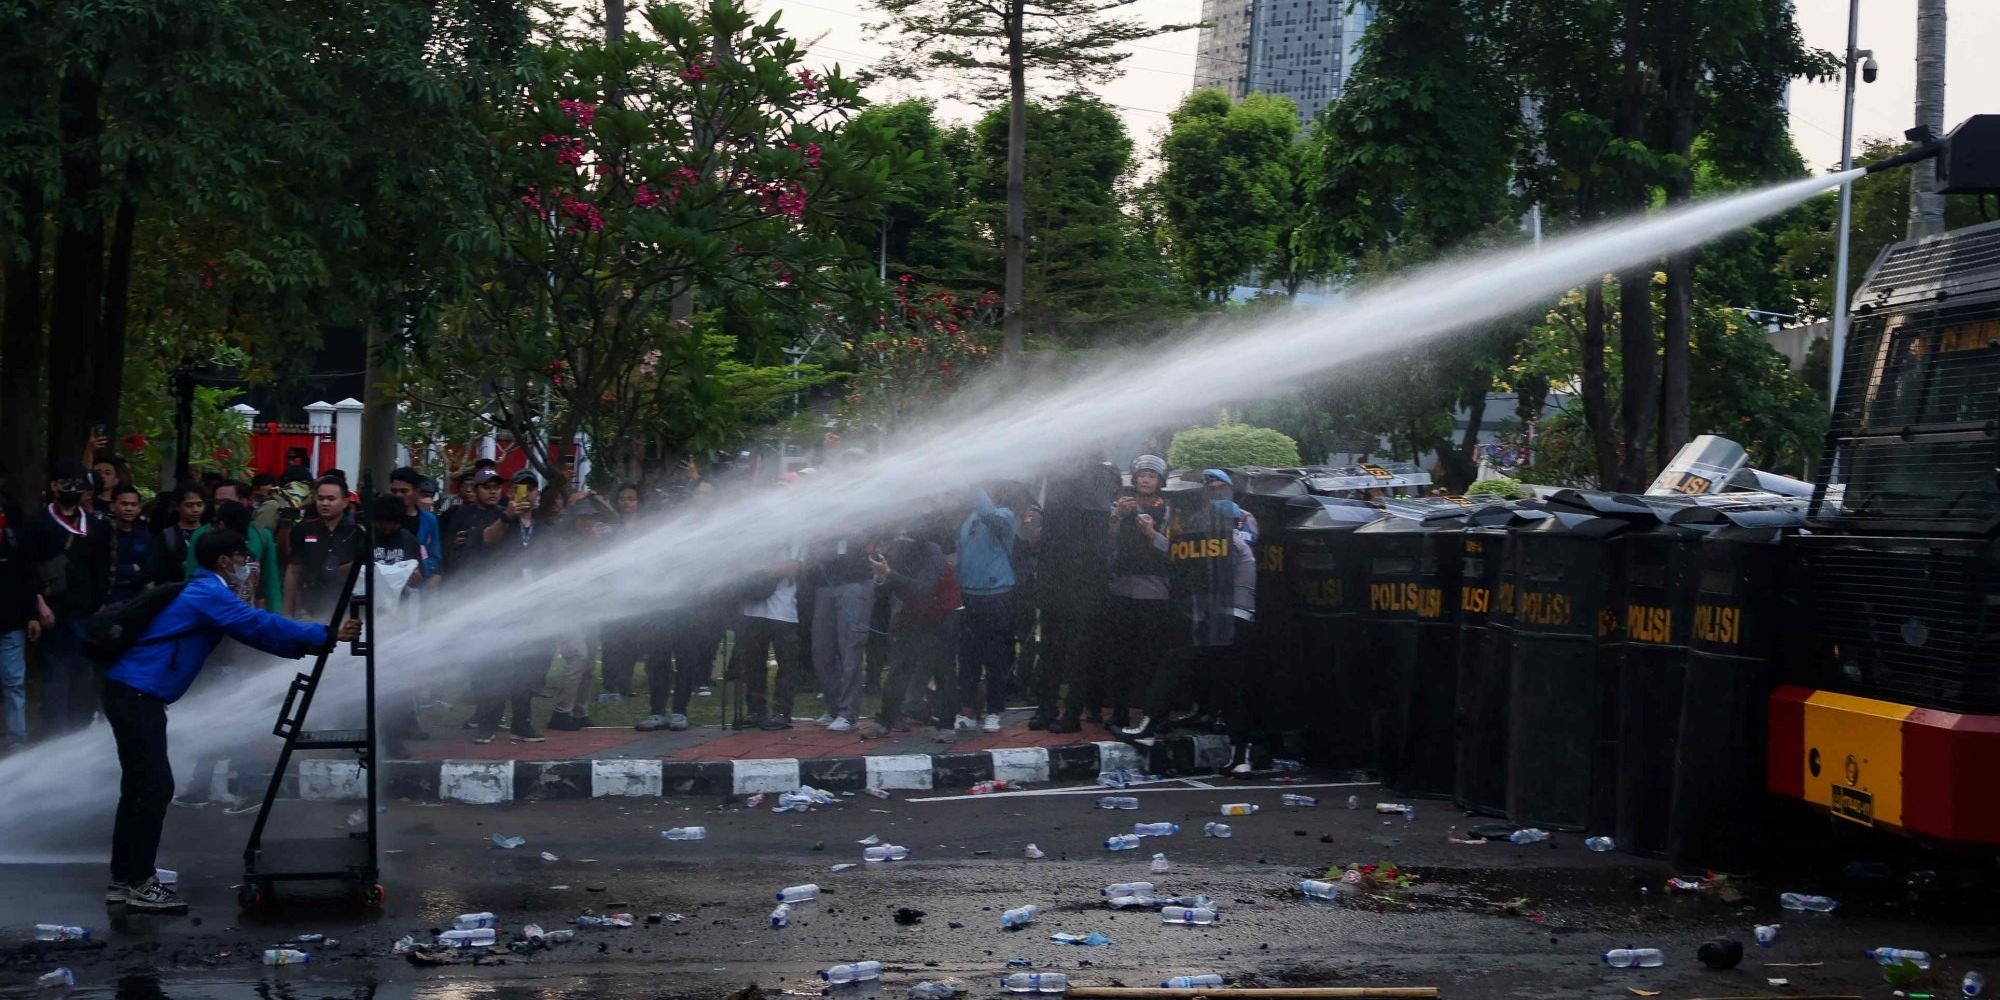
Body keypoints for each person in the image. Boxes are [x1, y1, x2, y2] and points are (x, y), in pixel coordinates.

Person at [103, 528, 359, 911]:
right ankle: (140, 882)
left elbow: (256, 631)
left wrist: (310, 642)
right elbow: (256, 624)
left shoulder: (204, 590)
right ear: (224, 561)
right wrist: (325, 634)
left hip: (130, 691)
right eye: (243, 558)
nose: (247, 566)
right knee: (154, 787)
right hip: (136, 694)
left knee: (139, 787)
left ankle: (125, 879)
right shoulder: (209, 593)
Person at [1125, 471, 1257, 755]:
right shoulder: (1217, 541)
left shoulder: (1232, 543)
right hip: (1222, 618)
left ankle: (1150, 728)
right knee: (1220, 681)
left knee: (1194, 669)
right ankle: (1237, 753)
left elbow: (1190, 561)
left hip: (1227, 619)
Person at [22, 460, 114, 735]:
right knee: (55, 675)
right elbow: (26, 567)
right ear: (53, 486)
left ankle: (79, 731)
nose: (72, 490)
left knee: (84, 674)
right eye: (66, 484)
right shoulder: (37, 523)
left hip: (85, 613)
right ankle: (54, 733)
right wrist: (38, 605)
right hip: (52, 612)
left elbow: (103, 569)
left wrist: (99, 604)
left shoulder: (96, 526)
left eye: (78, 485)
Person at [468, 470, 549, 744]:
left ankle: (522, 722)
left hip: (534, 606)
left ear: (537, 493)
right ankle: (488, 722)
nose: (525, 494)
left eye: (530, 489)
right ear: (511, 493)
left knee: (526, 664)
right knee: (495, 662)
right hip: (499, 604)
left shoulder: (545, 525)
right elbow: (486, 540)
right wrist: (508, 516)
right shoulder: (499, 517)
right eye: (519, 488)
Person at [1038, 458, 1117, 733]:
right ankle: (1046, 708)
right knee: (1050, 648)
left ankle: (1072, 713)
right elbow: (1048, 539)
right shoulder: (1058, 478)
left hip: (1086, 586)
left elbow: (1098, 546)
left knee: (1080, 652)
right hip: (1056, 582)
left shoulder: (1101, 475)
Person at [1095, 455, 1173, 731]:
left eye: (1152, 476)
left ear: (1160, 481)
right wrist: (1118, 516)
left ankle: (1155, 718)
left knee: (1152, 659)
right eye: (1142, 475)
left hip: (1155, 594)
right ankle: (1119, 714)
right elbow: (1107, 541)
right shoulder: (1122, 504)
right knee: (1120, 657)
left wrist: (1152, 533)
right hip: (1121, 591)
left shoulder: (1169, 509)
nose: (1146, 480)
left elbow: (1174, 549)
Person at [860, 514, 954, 740]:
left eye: (905, 536)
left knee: (943, 671)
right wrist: (881, 577)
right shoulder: (899, 552)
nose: (900, 541)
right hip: (912, 615)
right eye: (899, 536)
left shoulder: (933, 553)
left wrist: (890, 574)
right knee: (899, 668)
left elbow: (922, 588)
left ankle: (947, 726)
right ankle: (885, 721)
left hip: (942, 615)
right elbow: (883, 589)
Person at [805, 512, 877, 734]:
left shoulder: (863, 510)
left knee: (850, 648)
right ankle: (833, 706)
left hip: (855, 584)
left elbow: (873, 536)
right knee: (821, 650)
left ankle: (848, 713)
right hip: (825, 586)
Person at [954, 484, 1018, 734]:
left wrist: (973, 482)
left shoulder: (1004, 515)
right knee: (968, 657)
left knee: (995, 658)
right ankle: (967, 710)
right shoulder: (969, 518)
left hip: (997, 596)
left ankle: (994, 712)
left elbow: (988, 513)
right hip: (969, 596)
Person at [732, 532, 807, 732]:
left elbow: (793, 568)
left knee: (787, 662)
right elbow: (739, 565)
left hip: (782, 610)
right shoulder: (756, 532)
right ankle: (756, 710)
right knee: (753, 662)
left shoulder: (795, 534)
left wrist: (760, 569)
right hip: (752, 607)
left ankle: (782, 711)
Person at [183, 483, 282, 611]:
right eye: (217, 503)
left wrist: (275, 614)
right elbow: (191, 577)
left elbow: (271, 582)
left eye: (226, 502)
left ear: (244, 502)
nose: (221, 508)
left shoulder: (262, 536)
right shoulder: (202, 535)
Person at [284, 477, 363, 621]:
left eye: (331, 499)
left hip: (348, 608)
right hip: (310, 607)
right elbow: (294, 570)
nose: (325, 503)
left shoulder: (357, 533)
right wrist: (287, 611)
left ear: (345, 502)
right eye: (321, 499)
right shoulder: (303, 530)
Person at [1, 512, 40, 750]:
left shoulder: (14, 543)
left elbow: (28, 582)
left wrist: (32, 617)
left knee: (14, 682)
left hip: (11, 625)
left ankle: (17, 741)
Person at [387, 467, 443, 589]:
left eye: (404, 491)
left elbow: (435, 555)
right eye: (394, 491)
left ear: (416, 492)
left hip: (420, 587)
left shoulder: (430, 520)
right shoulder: (383, 521)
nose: (398, 496)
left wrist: (428, 572)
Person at [104, 485, 158, 605]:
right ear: (112, 506)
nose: (129, 508)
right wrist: (131, 568)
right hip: (107, 598)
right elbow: (103, 568)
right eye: (124, 504)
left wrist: (130, 577)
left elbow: (150, 569)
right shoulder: (103, 534)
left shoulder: (145, 535)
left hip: (137, 598)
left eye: (134, 505)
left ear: (139, 508)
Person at [149, 484, 207, 584]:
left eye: (199, 505)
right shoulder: (167, 536)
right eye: (189, 505)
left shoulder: (210, 533)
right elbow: (158, 571)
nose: (195, 510)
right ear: (177, 506)